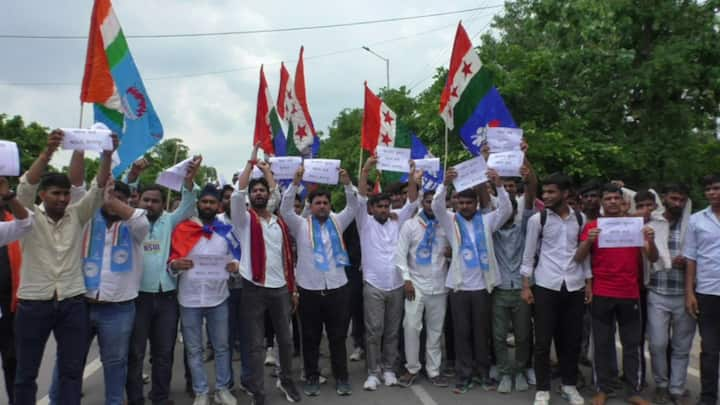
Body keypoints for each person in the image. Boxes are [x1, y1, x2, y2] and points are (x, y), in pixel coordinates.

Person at [13, 129, 114, 405]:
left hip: (72, 302)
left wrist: (107, 154)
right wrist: (47, 153)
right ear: (43, 194)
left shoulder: (77, 215)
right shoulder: (28, 217)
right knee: (25, 373)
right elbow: (24, 186)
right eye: (56, 193)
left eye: (66, 194)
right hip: (34, 303)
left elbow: (97, 188)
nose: (62, 199)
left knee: (71, 372)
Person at [126, 156, 202, 405]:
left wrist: (189, 179)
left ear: (162, 204)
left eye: (155, 201)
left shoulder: (170, 220)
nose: (150, 204)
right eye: (146, 200)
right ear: (139, 201)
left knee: (164, 352)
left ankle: (160, 397)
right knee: (136, 353)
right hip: (138, 297)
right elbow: (118, 196)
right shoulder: (131, 221)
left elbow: (189, 202)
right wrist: (134, 175)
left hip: (167, 297)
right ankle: (135, 398)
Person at [574, 184, 657, 405]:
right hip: (602, 292)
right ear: (602, 202)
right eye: (607, 198)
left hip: (630, 292)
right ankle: (602, 388)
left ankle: (634, 390)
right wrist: (588, 240)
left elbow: (653, 258)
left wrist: (651, 239)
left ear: (622, 202)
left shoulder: (635, 226)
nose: (611, 202)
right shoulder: (592, 226)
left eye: (615, 198)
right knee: (602, 343)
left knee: (632, 344)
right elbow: (579, 258)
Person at [230, 147, 301, 405]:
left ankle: (287, 380)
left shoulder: (278, 221)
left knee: (285, 339)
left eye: (263, 190)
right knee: (256, 345)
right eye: (255, 191)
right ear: (250, 197)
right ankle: (258, 392)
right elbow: (237, 194)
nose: (259, 193)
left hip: (281, 288)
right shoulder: (244, 220)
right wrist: (250, 165)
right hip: (254, 287)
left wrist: (269, 171)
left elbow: (287, 257)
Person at [432, 167, 512, 394]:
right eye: (461, 203)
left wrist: (498, 185)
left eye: (469, 203)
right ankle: (464, 375)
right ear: (456, 204)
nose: (465, 206)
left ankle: (483, 374)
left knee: (481, 333)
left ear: (476, 204)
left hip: (482, 287)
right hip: (459, 288)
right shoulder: (450, 221)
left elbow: (506, 210)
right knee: (462, 333)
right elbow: (437, 206)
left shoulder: (487, 221)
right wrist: (444, 184)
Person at [280, 165, 357, 396]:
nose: (322, 206)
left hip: (337, 288)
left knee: (337, 337)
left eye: (325, 203)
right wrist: (295, 183)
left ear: (330, 205)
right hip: (309, 290)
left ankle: (342, 377)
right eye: (318, 203)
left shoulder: (338, 221)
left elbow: (354, 206)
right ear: (310, 206)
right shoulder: (300, 224)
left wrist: (347, 183)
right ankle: (312, 376)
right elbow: (284, 209)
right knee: (310, 337)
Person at [521, 173, 590, 405]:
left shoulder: (580, 219)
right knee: (542, 341)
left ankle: (569, 385)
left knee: (571, 339)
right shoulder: (537, 220)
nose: (546, 196)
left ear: (565, 193)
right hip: (545, 285)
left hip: (574, 285)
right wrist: (525, 286)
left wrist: (588, 283)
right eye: (545, 192)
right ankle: (542, 389)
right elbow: (528, 255)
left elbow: (585, 255)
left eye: (552, 192)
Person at [169, 184, 242, 405]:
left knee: (221, 346)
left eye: (212, 202)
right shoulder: (183, 229)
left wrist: (235, 265)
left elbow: (237, 255)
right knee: (194, 349)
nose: (208, 205)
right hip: (189, 298)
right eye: (204, 202)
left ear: (219, 205)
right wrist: (175, 264)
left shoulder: (226, 231)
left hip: (218, 297)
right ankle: (200, 391)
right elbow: (170, 261)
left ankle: (222, 389)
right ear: (198, 204)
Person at [356, 157, 419, 391]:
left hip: (396, 285)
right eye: (379, 207)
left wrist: (412, 176)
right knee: (374, 331)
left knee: (393, 331)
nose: (384, 210)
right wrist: (365, 171)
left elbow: (412, 202)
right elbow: (361, 198)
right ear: (372, 209)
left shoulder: (397, 220)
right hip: (373, 284)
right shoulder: (365, 222)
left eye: (386, 206)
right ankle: (373, 372)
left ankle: (389, 369)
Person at [636, 185, 695, 404]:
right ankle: (661, 384)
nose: (677, 203)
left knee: (681, 346)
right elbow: (650, 257)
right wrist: (650, 242)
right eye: (673, 198)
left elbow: (698, 253)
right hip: (657, 292)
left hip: (685, 293)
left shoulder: (693, 224)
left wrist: (687, 259)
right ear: (664, 198)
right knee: (657, 344)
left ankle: (677, 388)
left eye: (681, 199)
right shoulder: (652, 223)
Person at [395, 187, 450, 388]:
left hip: (439, 286)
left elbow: (458, 249)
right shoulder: (410, 225)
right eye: (428, 201)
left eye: (435, 202)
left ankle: (434, 371)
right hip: (415, 285)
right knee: (410, 327)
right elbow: (400, 255)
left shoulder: (446, 223)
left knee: (435, 331)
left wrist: (451, 252)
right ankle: (412, 368)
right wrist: (407, 280)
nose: (431, 205)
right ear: (422, 202)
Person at [491, 162, 538, 394]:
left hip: (522, 289)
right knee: (499, 336)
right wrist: (485, 162)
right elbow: (482, 195)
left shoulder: (525, 226)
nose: (507, 212)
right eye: (503, 209)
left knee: (522, 335)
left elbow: (531, 191)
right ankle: (504, 372)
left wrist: (525, 161)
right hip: (499, 290)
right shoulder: (493, 231)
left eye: (510, 208)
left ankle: (519, 370)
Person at [684, 174, 720, 405]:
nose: (712, 193)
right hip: (708, 292)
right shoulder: (697, 220)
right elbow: (691, 258)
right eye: (708, 189)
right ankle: (708, 398)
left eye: (716, 188)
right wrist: (689, 292)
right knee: (710, 350)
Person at [0, 176, 32, 405]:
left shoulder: (8, 223)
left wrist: (9, 195)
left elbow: (26, 223)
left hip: (11, 307)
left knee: (15, 366)